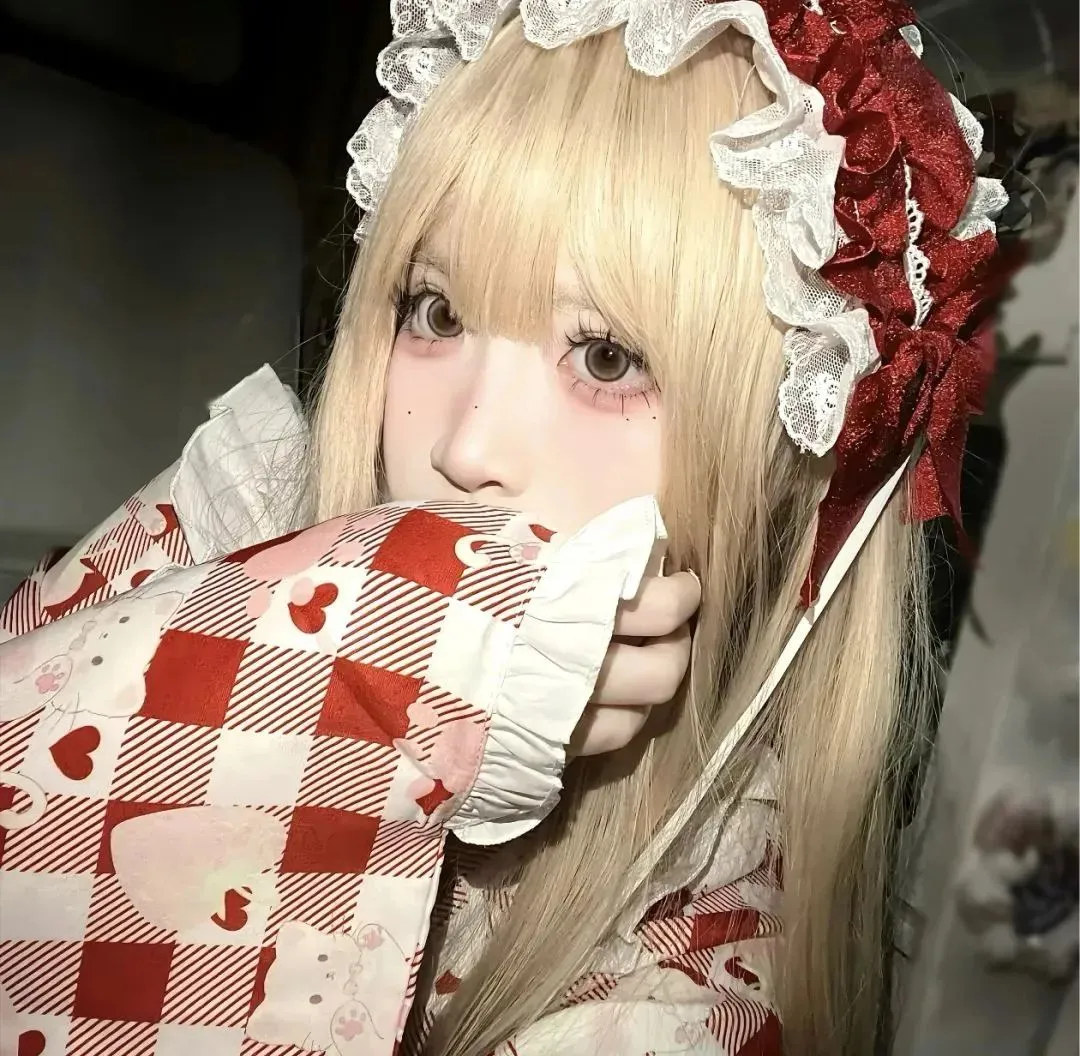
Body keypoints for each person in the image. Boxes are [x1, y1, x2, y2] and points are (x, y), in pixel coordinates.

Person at [0, 2, 1007, 1055]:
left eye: (607, 358)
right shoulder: (229, 518)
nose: (466, 446)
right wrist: (335, 679)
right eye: (436, 312)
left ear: (782, 462)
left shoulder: (692, 988)